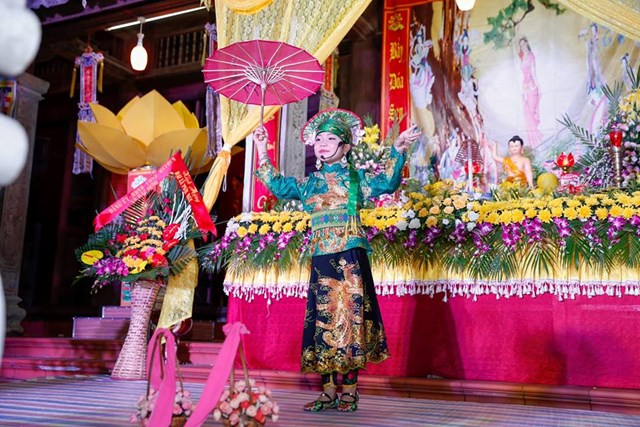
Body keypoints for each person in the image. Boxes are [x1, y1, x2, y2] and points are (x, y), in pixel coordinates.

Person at [253, 108, 420, 412]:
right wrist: (262, 148)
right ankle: (328, 391)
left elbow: (387, 182)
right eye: (319, 139)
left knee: (351, 321)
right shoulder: (309, 183)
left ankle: (350, 392)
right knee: (324, 320)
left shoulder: (357, 179)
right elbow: (277, 185)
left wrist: (398, 148)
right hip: (322, 258)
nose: (323, 143)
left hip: (350, 256)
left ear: (346, 146)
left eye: (331, 139)